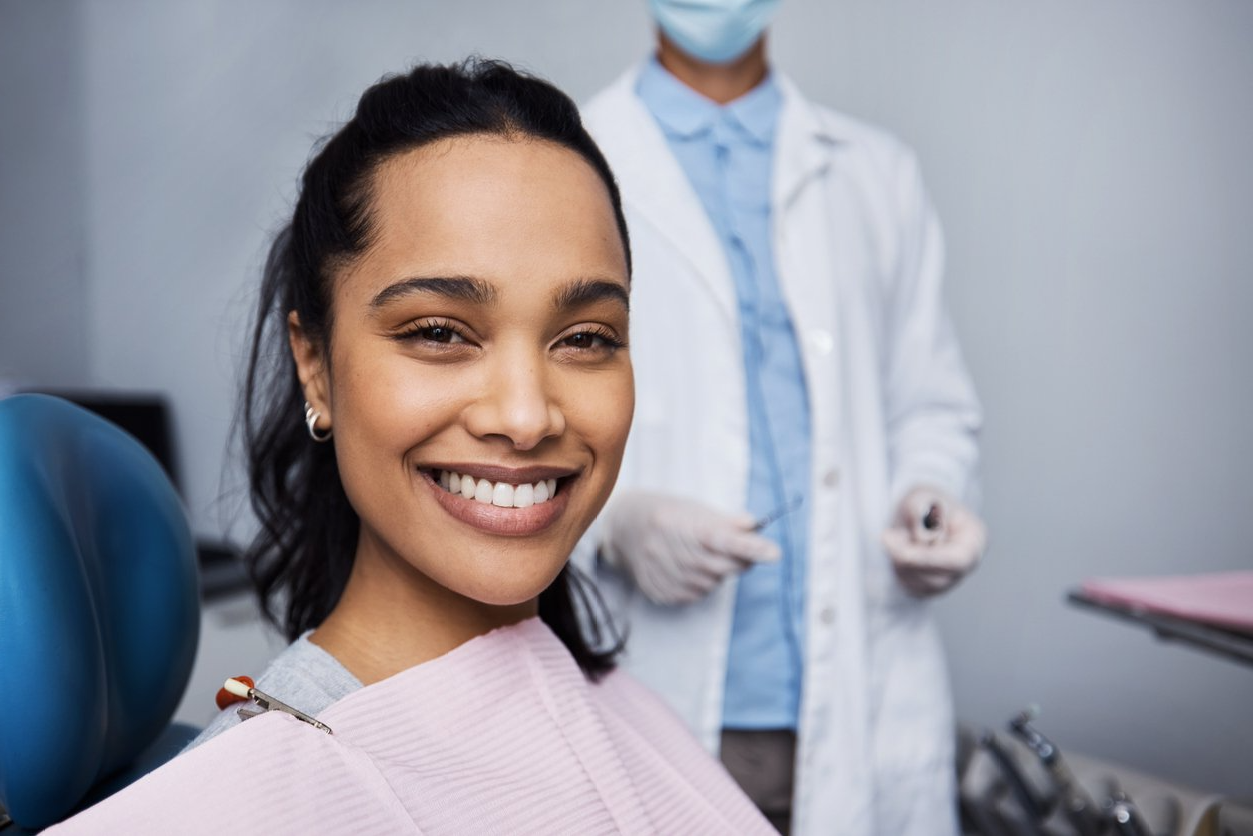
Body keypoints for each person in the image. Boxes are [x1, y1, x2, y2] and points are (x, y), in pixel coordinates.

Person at [46, 59, 773, 834]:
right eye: (437, 333)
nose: (526, 418)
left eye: (585, 337)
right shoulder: (244, 798)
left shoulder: (623, 706)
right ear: (316, 365)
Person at [575, 2, 988, 833]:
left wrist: (929, 494)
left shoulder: (875, 172)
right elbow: (522, 411)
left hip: (862, 696)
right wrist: (611, 524)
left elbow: (929, 403)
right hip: (667, 694)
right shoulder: (571, 162)